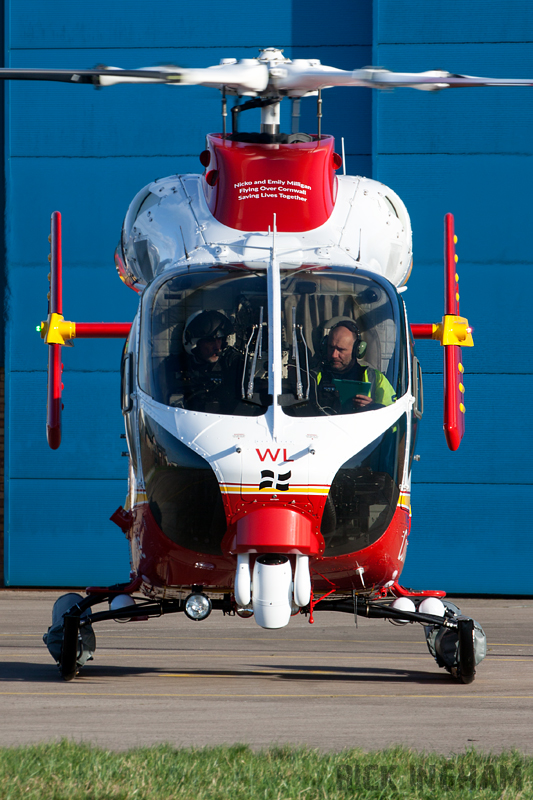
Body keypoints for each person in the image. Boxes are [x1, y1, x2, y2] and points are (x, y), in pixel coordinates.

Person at [163, 310, 242, 412]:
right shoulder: (174, 366)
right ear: (194, 343)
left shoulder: (231, 364)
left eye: (220, 340)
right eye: (210, 341)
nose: (217, 347)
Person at [316, 320, 396, 413]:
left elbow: (393, 415)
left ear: (357, 350)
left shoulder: (376, 378)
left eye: (341, 350)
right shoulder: (312, 376)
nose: (334, 355)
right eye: (331, 347)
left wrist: (373, 407)